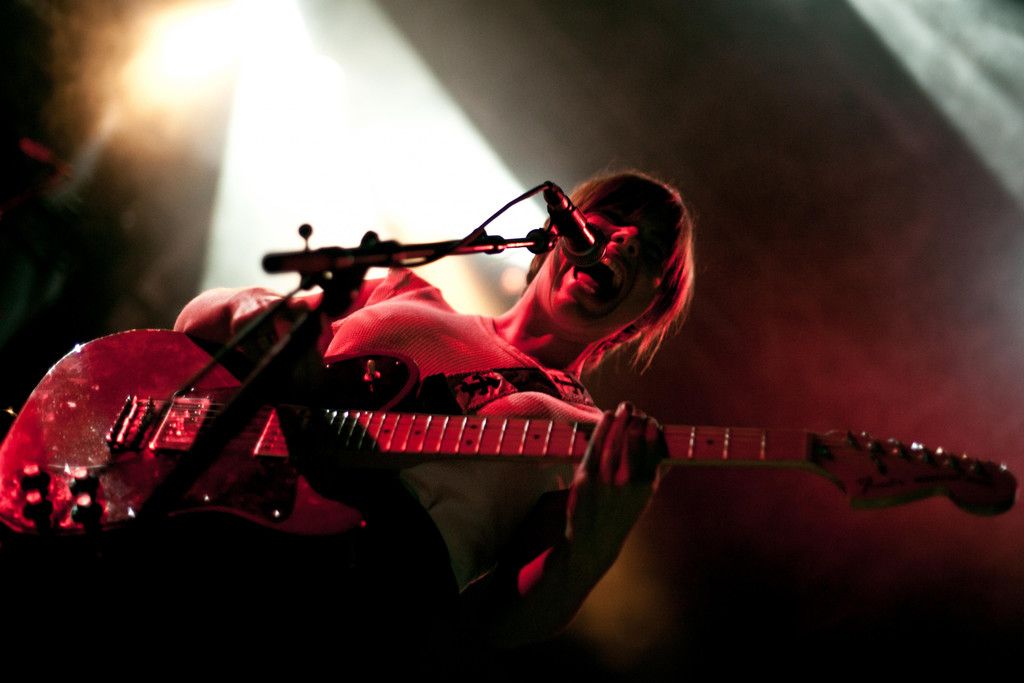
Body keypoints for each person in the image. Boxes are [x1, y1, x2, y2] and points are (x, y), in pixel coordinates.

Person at [174, 170, 695, 649]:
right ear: (555, 234)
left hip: (348, 605)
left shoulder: (592, 437)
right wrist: (251, 309)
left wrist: (593, 549)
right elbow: (195, 323)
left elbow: (503, 622)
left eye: (649, 251)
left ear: (644, 315)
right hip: (205, 520)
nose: (626, 240)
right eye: (610, 220)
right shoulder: (407, 294)